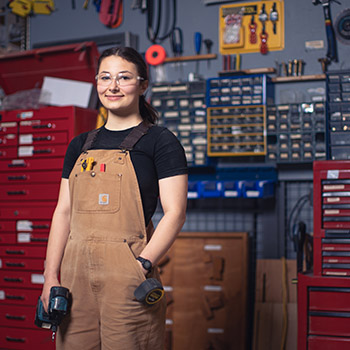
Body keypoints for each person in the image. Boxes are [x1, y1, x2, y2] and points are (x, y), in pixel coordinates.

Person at [40, 46, 188, 350]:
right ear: (97, 83)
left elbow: (175, 213)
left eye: (124, 78)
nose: (113, 86)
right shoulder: (80, 144)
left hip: (127, 276)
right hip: (73, 277)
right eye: (105, 77)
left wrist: (141, 264)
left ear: (143, 85)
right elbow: (63, 212)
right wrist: (50, 275)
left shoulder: (160, 141)